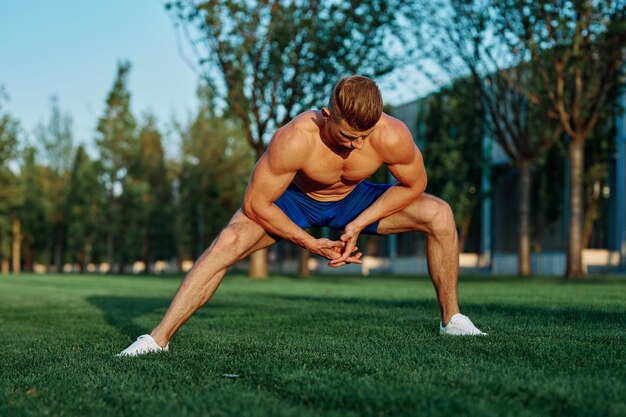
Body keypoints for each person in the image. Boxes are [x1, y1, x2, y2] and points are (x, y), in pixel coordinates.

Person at [118, 75, 486, 356]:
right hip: (295, 201)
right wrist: (309, 242)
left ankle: (452, 320)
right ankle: (157, 339)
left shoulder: (391, 135)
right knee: (227, 241)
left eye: (365, 136)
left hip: (355, 201)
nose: (357, 146)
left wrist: (358, 223)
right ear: (328, 116)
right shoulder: (295, 138)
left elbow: (414, 184)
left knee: (439, 213)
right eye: (347, 136)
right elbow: (255, 204)